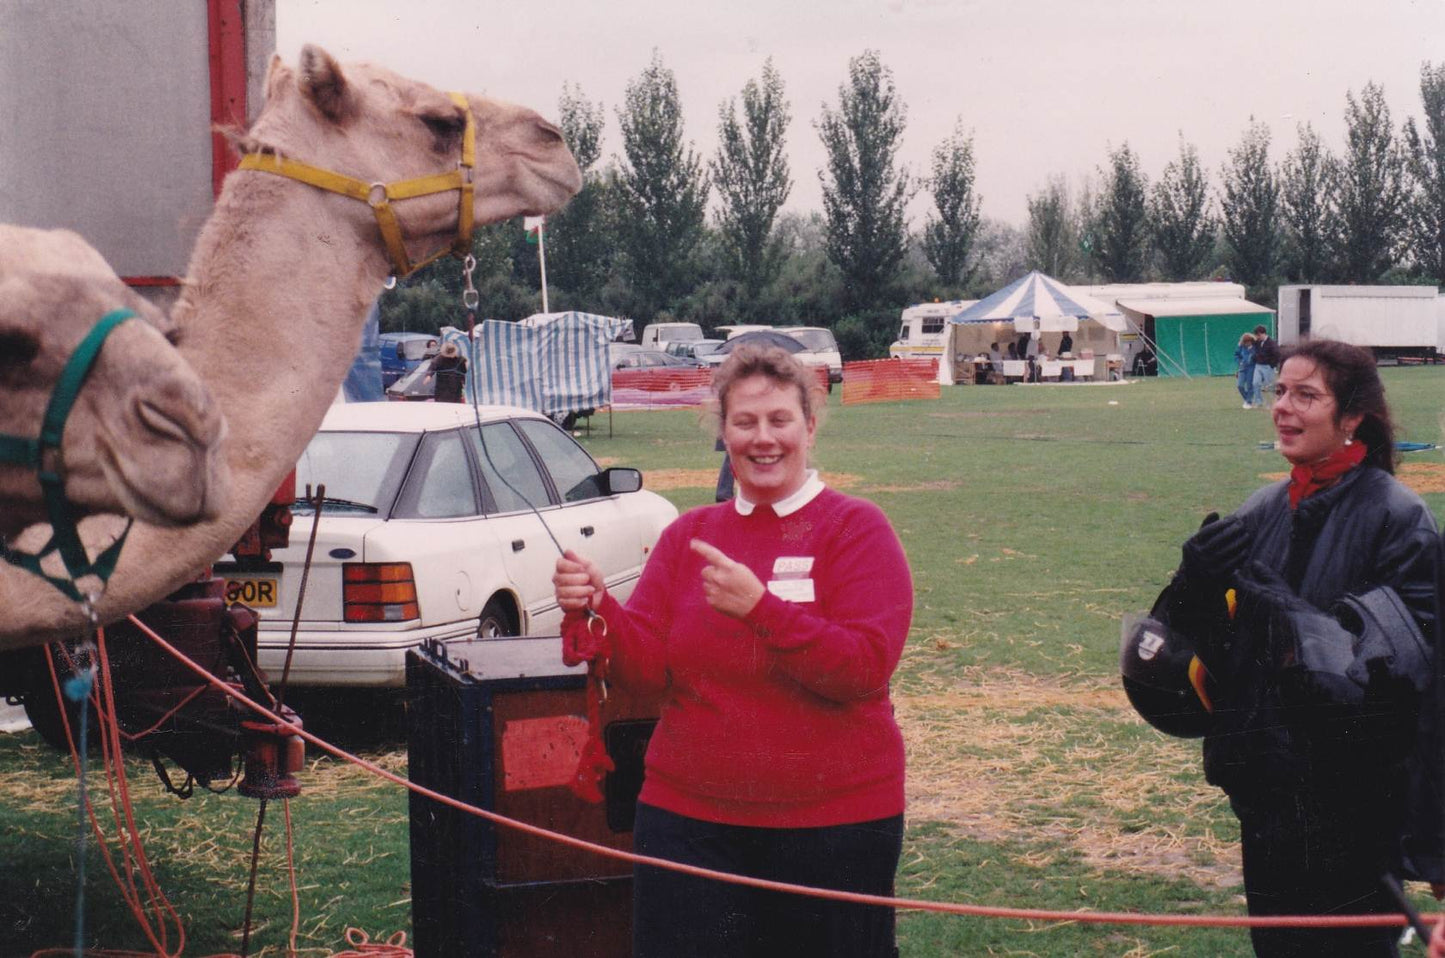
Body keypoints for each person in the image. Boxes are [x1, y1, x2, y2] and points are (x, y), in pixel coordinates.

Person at [553, 344, 913, 958]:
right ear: (723, 432)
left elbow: (861, 669)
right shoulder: (689, 536)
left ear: (810, 427)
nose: (763, 438)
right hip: (689, 823)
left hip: (834, 826)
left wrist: (761, 610)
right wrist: (597, 608)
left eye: (780, 420)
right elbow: (646, 673)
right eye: (745, 422)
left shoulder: (856, 528)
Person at [1146, 339, 1441, 957]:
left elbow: (1412, 676)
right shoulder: (1261, 509)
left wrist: (1293, 616)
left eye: (1306, 395)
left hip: (1357, 803)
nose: (1283, 406)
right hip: (1270, 797)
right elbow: (1216, 660)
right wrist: (1192, 587)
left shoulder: (1398, 517)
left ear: (1352, 417)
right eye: (1279, 391)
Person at [1252, 323, 1280, 407]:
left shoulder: (1271, 343)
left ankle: (1273, 403)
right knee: (1255, 383)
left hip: (1268, 367)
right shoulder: (1256, 342)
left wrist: (1272, 365)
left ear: (1262, 333)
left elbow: (1277, 354)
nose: (1257, 337)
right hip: (1258, 366)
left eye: (1258, 335)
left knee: (1269, 386)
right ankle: (1258, 401)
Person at [1234, 332, 1257, 408]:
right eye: (1245, 342)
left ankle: (1248, 402)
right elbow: (1236, 355)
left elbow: (1256, 356)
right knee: (1239, 385)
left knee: (1250, 385)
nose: (1247, 344)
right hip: (1242, 368)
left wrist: (1251, 350)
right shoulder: (1241, 346)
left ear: (1251, 341)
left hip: (1252, 367)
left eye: (1248, 342)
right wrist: (1239, 362)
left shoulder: (1255, 347)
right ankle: (1248, 399)